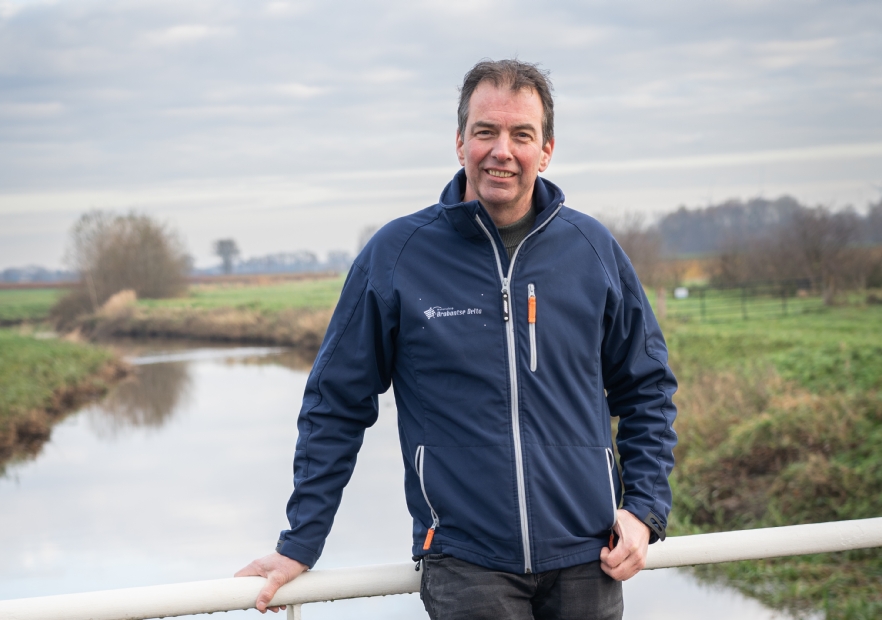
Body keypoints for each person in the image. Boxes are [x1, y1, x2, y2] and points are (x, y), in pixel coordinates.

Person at [236, 59, 677, 620]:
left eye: (522, 134)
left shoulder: (592, 250)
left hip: (587, 558)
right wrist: (300, 541)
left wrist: (642, 509)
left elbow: (647, 388)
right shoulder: (398, 254)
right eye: (485, 131)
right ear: (460, 140)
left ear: (546, 150)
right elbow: (336, 403)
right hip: (466, 564)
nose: (502, 151)